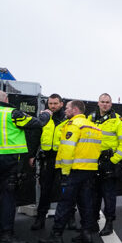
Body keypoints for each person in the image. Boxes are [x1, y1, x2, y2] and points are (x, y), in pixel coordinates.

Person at [39, 100, 102, 243]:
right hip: (89, 170)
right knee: (85, 202)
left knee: (65, 202)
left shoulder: (72, 125)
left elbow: (67, 149)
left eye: (67, 108)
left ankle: (56, 235)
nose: (65, 110)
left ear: (75, 110)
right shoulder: (94, 127)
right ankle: (86, 233)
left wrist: (65, 171)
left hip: (74, 170)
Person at [0, 91, 51, 243]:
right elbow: (37, 123)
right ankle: (6, 236)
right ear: (6, 99)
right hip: (8, 161)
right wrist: (46, 114)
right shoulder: (12, 113)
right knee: (8, 198)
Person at [88, 93, 122, 236]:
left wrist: (113, 160)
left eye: (107, 102)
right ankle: (93, 222)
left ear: (111, 104)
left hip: (109, 162)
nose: (105, 104)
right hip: (92, 162)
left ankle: (109, 223)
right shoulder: (90, 118)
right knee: (93, 194)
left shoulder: (118, 120)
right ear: (98, 103)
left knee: (109, 195)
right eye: (102, 101)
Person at [30, 94, 68, 230]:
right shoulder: (44, 118)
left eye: (55, 103)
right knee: (45, 190)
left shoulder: (67, 120)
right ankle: (40, 218)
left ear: (61, 104)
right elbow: (36, 137)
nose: (52, 106)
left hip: (63, 159)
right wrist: (32, 155)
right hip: (47, 159)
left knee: (66, 190)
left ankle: (69, 218)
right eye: (50, 103)